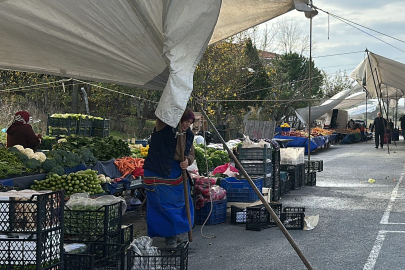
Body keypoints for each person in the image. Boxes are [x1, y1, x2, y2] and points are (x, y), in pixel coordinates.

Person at [143, 108, 195, 248]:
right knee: (164, 204)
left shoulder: (188, 134)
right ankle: (169, 236)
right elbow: (161, 114)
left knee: (183, 201)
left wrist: (187, 161)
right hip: (158, 169)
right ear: (179, 119)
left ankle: (180, 231)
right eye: (185, 121)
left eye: (190, 122)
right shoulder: (165, 128)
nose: (187, 125)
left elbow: (191, 152)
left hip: (176, 171)